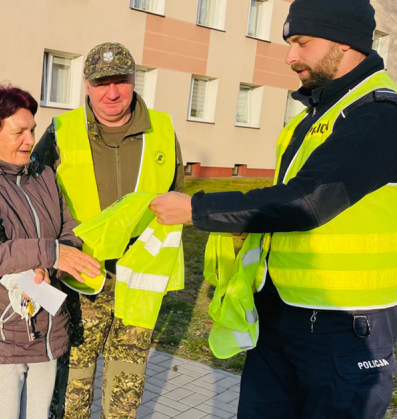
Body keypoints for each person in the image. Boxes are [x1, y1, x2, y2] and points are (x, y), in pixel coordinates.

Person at [150, 0, 397, 417]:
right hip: (284, 314)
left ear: (345, 40)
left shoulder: (377, 115)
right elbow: (286, 199)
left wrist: (197, 209)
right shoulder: (316, 115)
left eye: (302, 42)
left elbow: (308, 201)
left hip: (347, 326)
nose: (289, 56)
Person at [33, 42, 185, 418]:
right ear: (86, 85)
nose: (112, 92)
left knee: (126, 388)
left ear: (134, 81)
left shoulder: (162, 130)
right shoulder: (61, 130)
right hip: (81, 274)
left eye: (121, 81)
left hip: (141, 276)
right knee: (72, 386)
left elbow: (177, 195)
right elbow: (32, 196)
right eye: (102, 83)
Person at [0, 85, 100, 419]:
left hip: (45, 333)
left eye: (31, 129)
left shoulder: (43, 175)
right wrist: (47, 252)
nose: (30, 140)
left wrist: (51, 266)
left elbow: (68, 233)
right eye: (19, 132)